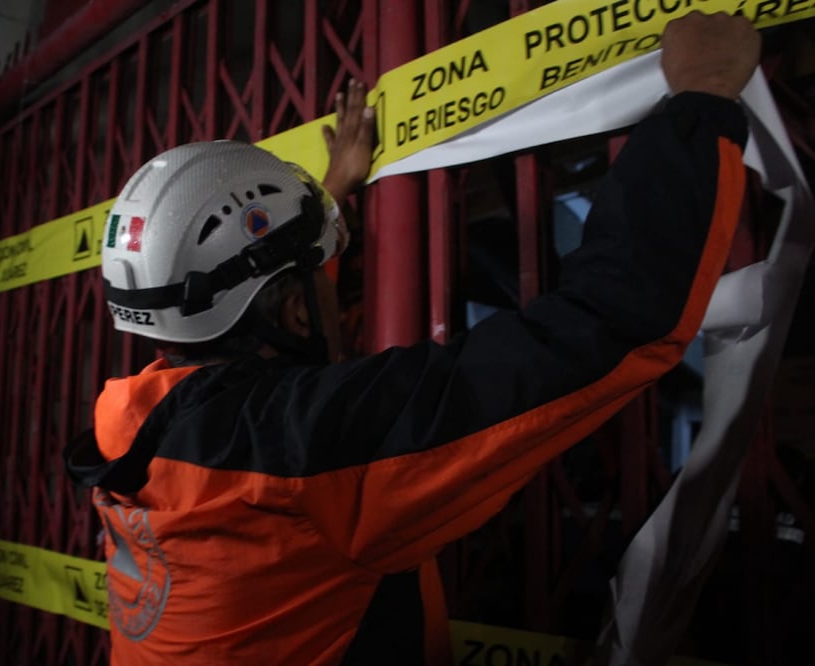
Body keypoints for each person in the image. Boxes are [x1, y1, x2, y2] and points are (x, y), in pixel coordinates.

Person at [71, 12, 763, 664]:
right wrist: (699, 105)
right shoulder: (306, 455)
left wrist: (334, 190)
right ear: (293, 312)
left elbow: (257, 307)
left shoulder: (131, 424)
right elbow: (609, 321)